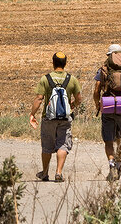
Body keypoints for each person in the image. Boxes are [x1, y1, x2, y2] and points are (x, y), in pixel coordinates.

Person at [29, 52, 82, 182]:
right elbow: (79, 99)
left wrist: (32, 114)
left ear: (53, 63)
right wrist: (72, 106)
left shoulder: (45, 79)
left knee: (47, 146)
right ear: (65, 63)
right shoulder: (72, 79)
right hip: (65, 118)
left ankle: (45, 173)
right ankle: (58, 173)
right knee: (63, 145)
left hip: (49, 118)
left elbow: (39, 98)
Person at [93, 43, 121, 181]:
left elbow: (96, 90)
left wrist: (97, 104)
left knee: (108, 140)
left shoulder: (104, 69)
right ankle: (118, 166)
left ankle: (111, 165)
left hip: (108, 106)